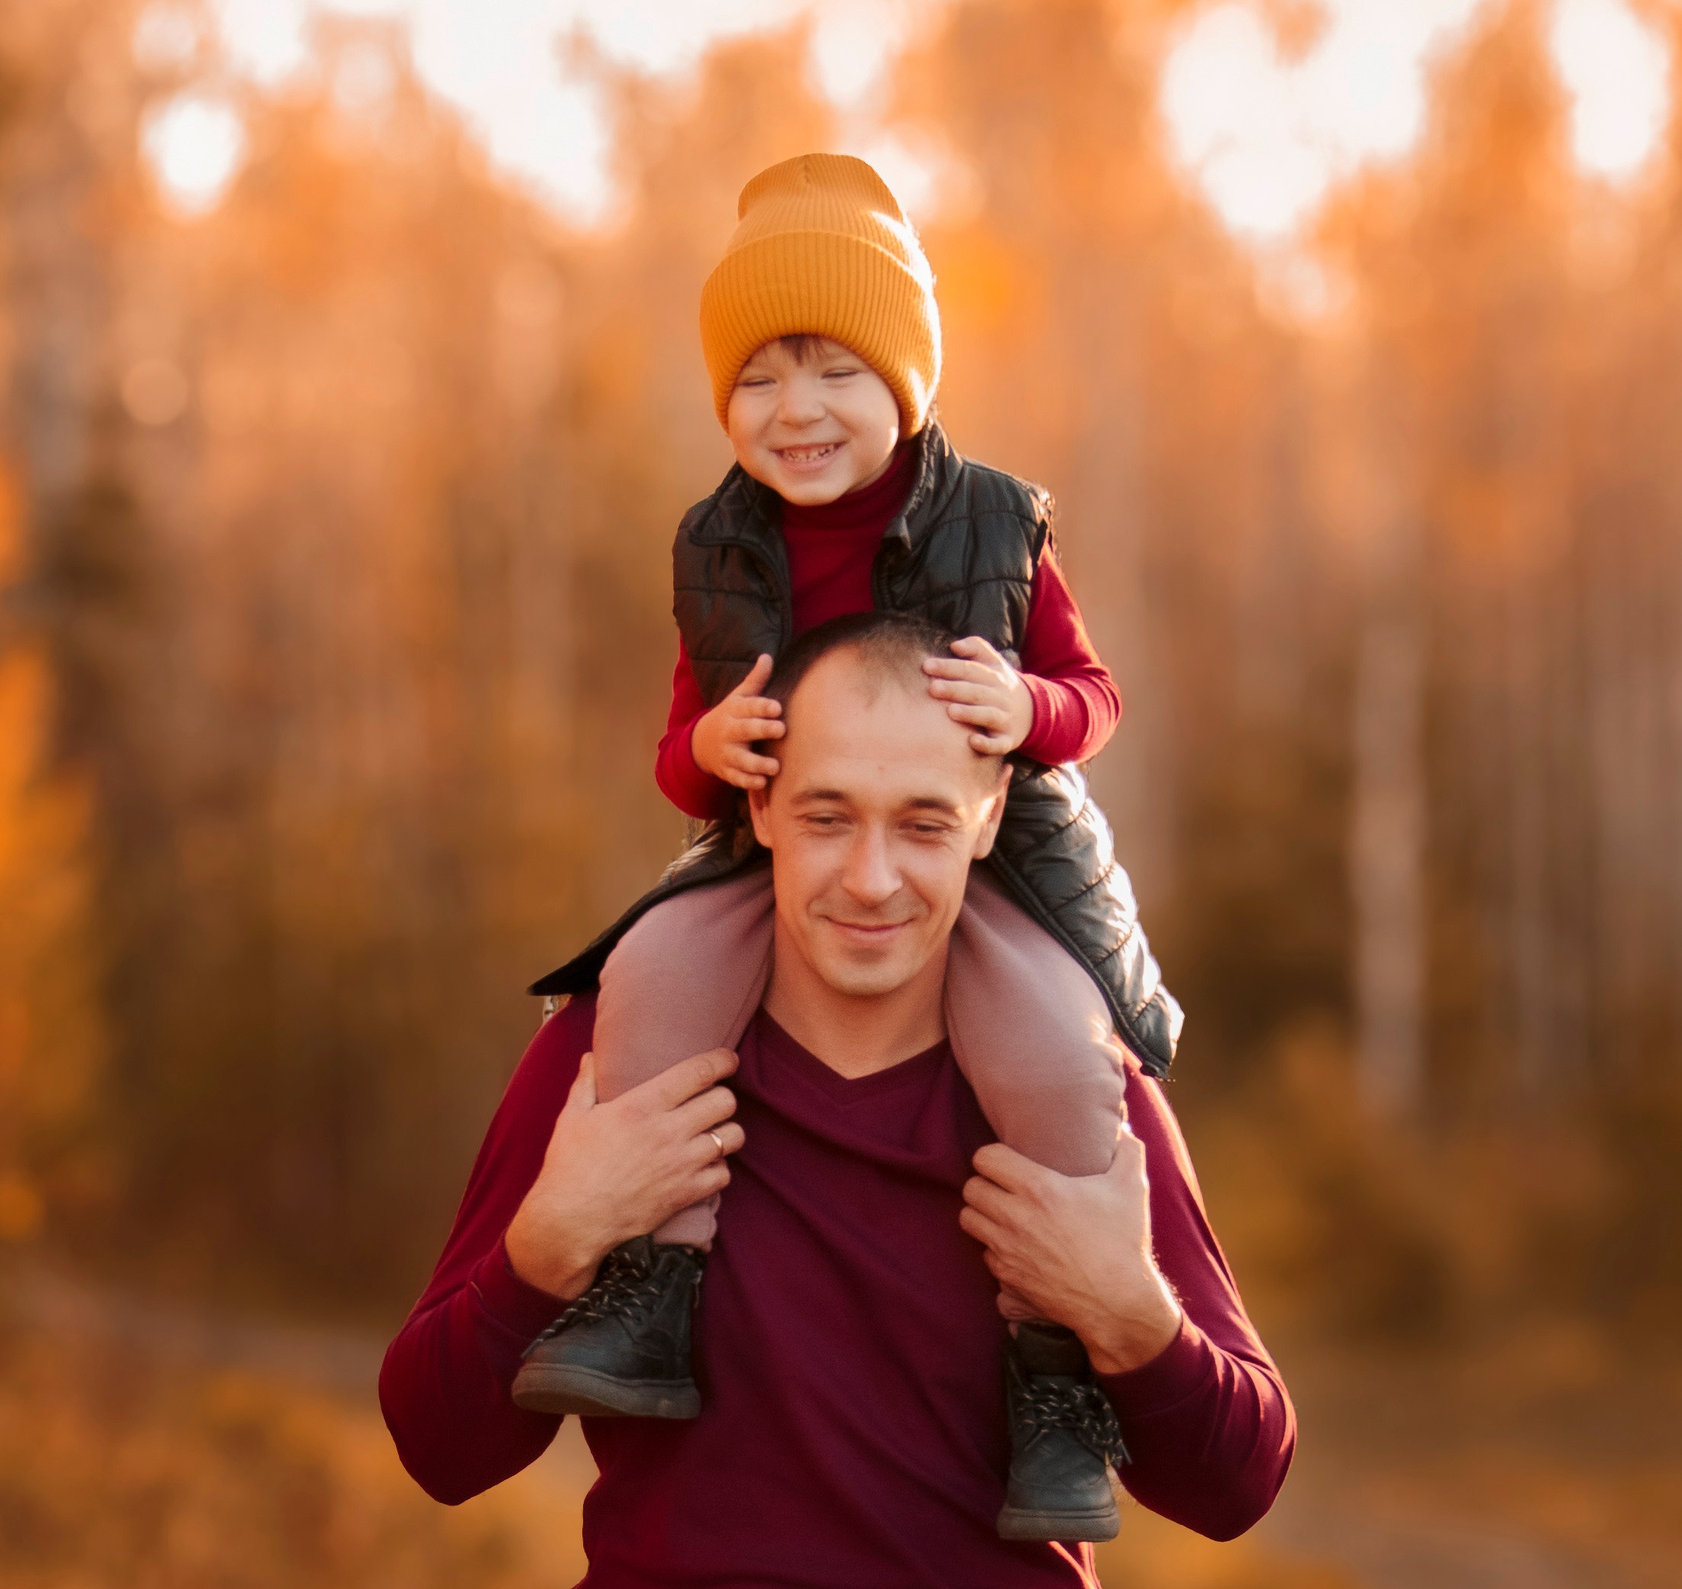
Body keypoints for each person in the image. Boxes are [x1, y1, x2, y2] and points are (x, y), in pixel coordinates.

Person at [506, 152, 1182, 1542]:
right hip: (774, 854)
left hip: (984, 859)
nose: (795, 411)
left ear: (905, 382)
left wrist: (1028, 707)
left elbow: (1095, 696)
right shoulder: (717, 544)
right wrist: (706, 758)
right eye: (756, 378)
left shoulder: (994, 516)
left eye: (834, 371)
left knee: (1056, 1044)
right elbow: (680, 736)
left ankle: (1055, 1378)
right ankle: (651, 1292)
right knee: (652, 972)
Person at [379, 614, 1294, 1585]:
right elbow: (440, 1451)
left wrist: (1125, 1311)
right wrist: (553, 1241)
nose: (871, 878)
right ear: (761, 806)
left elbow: (1235, 1485)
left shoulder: (1069, 1087)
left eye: (922, 822)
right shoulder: (616, 1061)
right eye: (827, 816)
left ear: (986, 817)